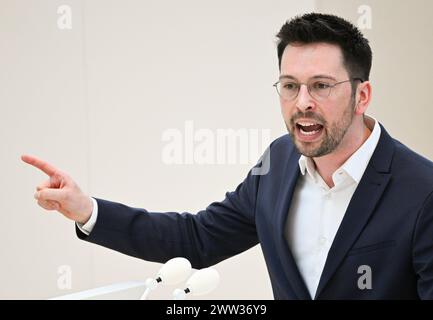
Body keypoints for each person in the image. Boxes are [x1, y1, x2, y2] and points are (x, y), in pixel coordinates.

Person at [22, 13, 433, 299]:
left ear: (361, 95)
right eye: (290, 86)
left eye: (321, 86)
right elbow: (197, 238)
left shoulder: (423, 191)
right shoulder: (278, 163)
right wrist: (87, 210)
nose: (302, 103)